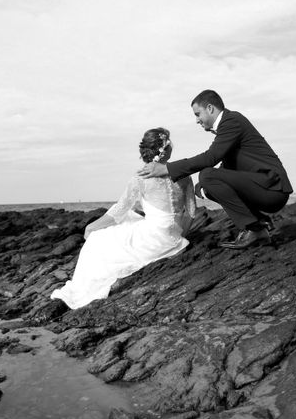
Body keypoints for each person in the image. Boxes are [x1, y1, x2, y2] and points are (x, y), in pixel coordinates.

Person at [50, 128, 196, 309]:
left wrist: (91, 227)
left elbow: (119, 210)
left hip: (153, 237)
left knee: (97, 239)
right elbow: (191, 212)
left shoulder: (141, 177)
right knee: (129, 221)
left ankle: (84, 288)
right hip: (174, 237)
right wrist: (180, 236)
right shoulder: (184, 174)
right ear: (167, 149)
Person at [138, 89, 292, 249]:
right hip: (263, 187)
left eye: (198, 114)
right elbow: (226, 166)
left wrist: (168, 169)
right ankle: (259, 230)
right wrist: (202, 186)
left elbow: (210, 157)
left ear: (210, 108)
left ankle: (254, 227)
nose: (197, 120)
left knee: (207, 175)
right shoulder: (230, 123)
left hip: (272, 189)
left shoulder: (232, 121)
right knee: (207, 183)